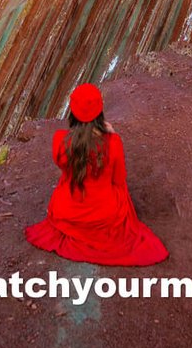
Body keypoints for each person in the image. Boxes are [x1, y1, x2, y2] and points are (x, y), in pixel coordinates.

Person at [24, 83, 168, 266]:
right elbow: (119, 179)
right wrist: (111, 135)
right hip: (104, 215)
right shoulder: (113, 143)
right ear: (100, 111)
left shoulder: (60, 140)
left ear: (73, 112)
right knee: (118, 189)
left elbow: (65, 165)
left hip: (67, 212)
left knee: (67, 180)